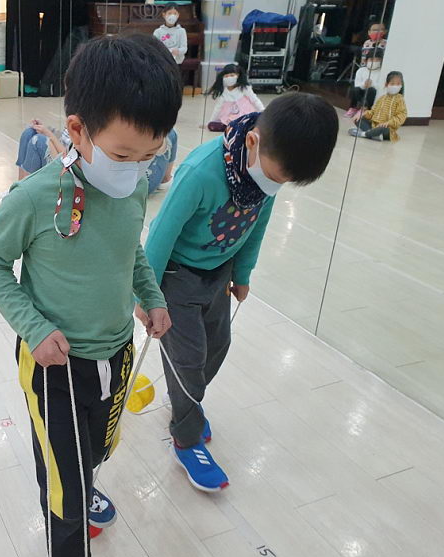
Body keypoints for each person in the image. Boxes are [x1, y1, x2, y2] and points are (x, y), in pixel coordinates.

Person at [0, 33, 181, 557]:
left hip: (115, 352)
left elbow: (130, 251)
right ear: (78, 130)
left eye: (150, 156)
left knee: (96, 449)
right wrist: (34, 329)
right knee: (63, 481)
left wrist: (151, 296)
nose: (136, 170)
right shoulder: (34, 198)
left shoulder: (133, 186)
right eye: (123, 155)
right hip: (55, 364)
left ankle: (82, 481)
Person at [139, 93, 338, 492]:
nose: (274, 186)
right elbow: (160, 234)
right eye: (275, 176)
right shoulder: (200, 172)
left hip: (220, 273)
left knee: (218, 345)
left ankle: (185, 402)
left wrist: (243, 273)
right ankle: (186, 438)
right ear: (252, 141)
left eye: (283, 183)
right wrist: (148, 295)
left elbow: (256, 226)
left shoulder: (267, 174)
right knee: (189, 360)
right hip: (177, 277)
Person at [13, 122, 177, 192]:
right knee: (31, 132)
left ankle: (22, 187)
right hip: (147, 178)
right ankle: (19, 187)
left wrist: (49, 135)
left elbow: (72, 160)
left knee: (36, 140)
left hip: (129, 180)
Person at [205, 64, 265, 132]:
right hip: (229, 119)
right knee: (211, 125)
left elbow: (255, 100)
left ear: (238, 75)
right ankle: (237, 128)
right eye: (226, 76)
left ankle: (237, 128)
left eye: (232, 75)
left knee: (253, 121)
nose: (229, 78)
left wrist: (263, 111)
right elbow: (217, 108)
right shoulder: (223, 93)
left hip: (244, 117)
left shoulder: (244, 88)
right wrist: (210, 121)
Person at [349, 71, 407, 141]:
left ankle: (364, 134)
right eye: (392, 84)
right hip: (374, 126)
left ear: (401, 85)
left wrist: (388, 123)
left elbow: (401, 115)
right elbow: (372, 112)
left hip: (387, 128)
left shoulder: (400, 99)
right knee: (359, 120)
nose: (395, 86)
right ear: (386, 84)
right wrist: (362, 114)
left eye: (398, 84)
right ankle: (373, 134)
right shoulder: (382, 98)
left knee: (383, 129)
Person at [345, 49, 383, 119]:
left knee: (371, 90)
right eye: (371, 59)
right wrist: (364, 85)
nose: (374, 62)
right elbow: (357, 84)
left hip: (372, 94)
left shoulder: (381, 72)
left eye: (377, 60)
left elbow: (380, 87)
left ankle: (364, 109)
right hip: (361, 92)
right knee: (355, 89)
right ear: (366, 60)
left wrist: (372, 84)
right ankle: (353, 108)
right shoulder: (361, 70)